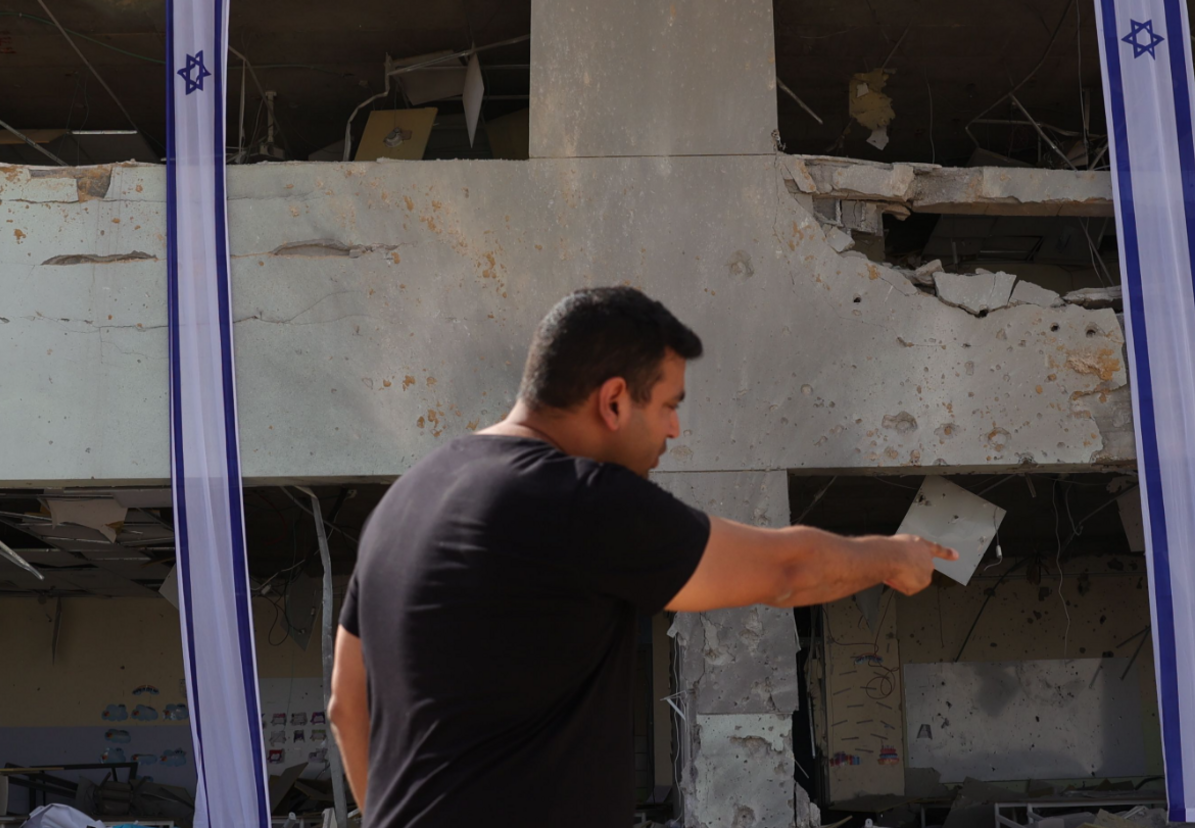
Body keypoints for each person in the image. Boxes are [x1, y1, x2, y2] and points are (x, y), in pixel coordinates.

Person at [328, 286, 956, 827]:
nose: (675, 431)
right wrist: (892, 556)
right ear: (614, 400)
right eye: (670, 406)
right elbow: (785, 571)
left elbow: (345, 706)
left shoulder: (403, 503)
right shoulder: (577, 498)